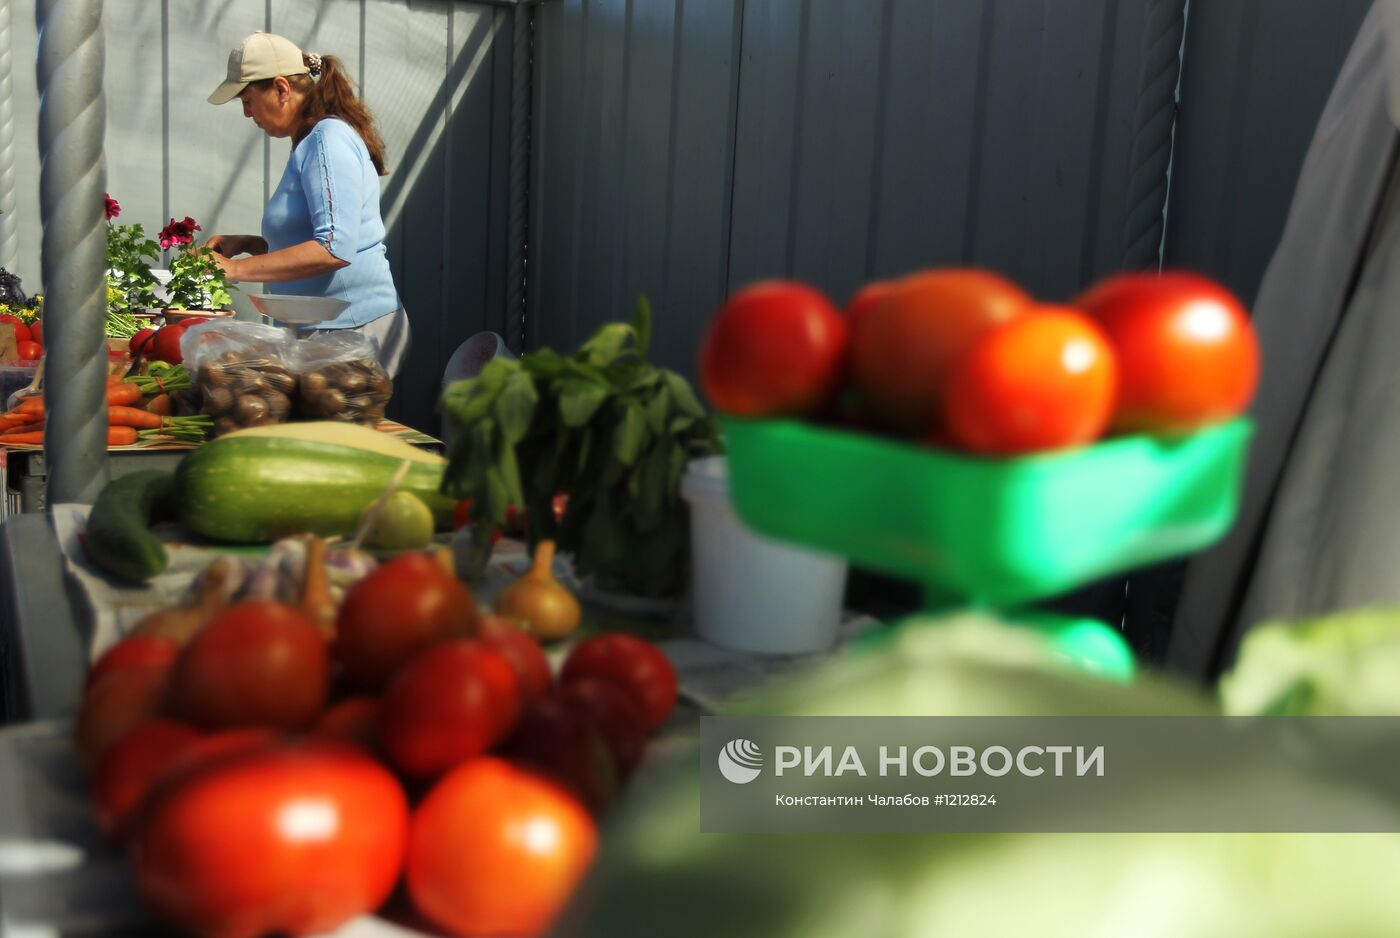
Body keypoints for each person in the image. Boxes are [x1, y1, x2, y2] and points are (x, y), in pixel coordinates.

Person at [203, 31, 409, 378]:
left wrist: (233, 270)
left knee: (327, 434)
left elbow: (332, 248)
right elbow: (314, 237)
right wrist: (251, 245)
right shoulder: (312, 140)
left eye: (248, 99)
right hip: (329, 329)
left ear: (282, 89)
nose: (246, 113)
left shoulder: (327, 139)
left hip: (352, 331)